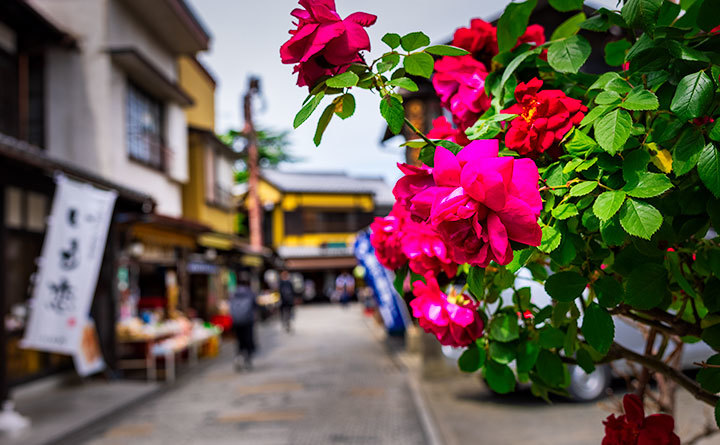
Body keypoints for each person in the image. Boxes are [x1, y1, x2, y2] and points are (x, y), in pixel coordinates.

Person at [230, 273, 257, 370]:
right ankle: (247, 360)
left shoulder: (233, 293)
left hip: (236, 321)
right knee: (248, 340)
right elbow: (255, 305)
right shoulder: (250, 293)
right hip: (248, 321)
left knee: (239, 340)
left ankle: (239, 357)